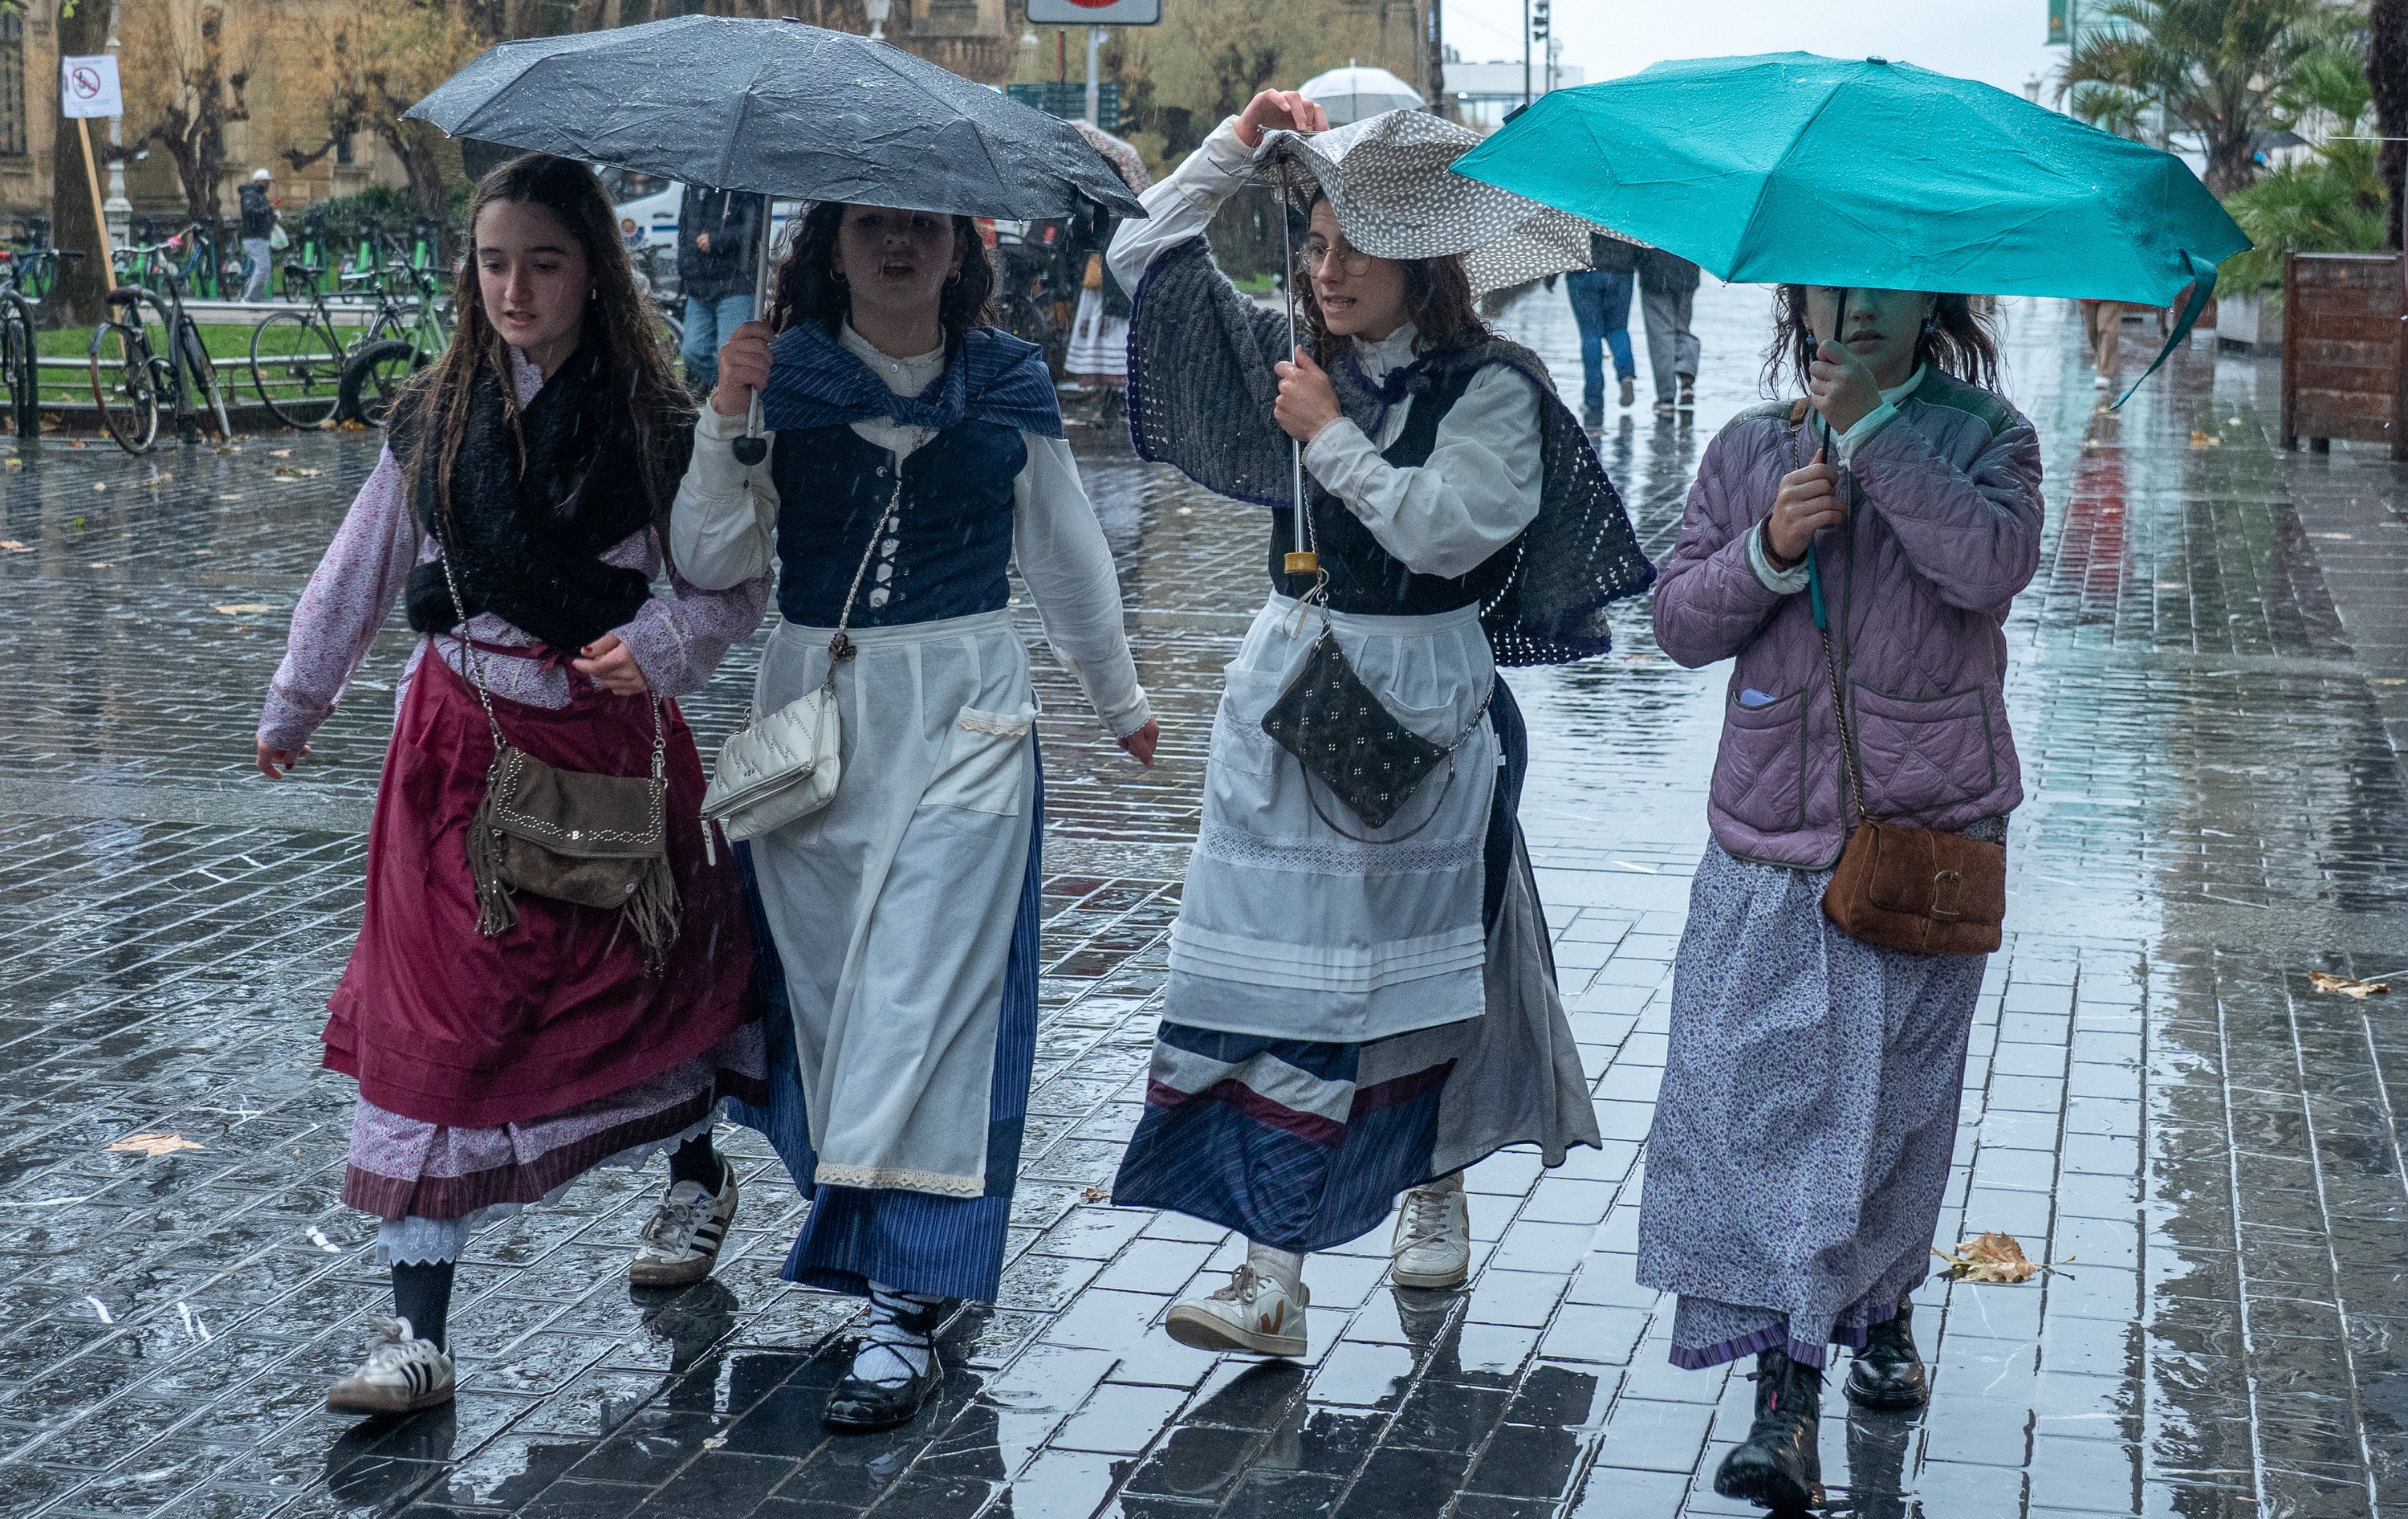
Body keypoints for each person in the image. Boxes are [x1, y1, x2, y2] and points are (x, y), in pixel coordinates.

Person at [1104, 91, 1653, 1358]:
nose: (1326, 267)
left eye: (1355, 243)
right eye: (1313, 240)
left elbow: (1448, 533)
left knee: (1398, 985)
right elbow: (1142, 256)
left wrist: (1334, 442)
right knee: (1276, 985)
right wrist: (1237, 146)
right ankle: (1271, 1275)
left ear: (1426, 259)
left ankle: (1432, 1174)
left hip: (1420, 707)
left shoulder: (1493, 391)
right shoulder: (1298, 360)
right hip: (1286, 693)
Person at [254, 154, 771, 1420]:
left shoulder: (657, 425)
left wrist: (659, 647)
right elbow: (361, 565)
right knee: (435, 1027)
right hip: (452, 763)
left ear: (593, 271)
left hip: (605, 755)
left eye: (542, 262)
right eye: (493, 262)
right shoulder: (434, 414)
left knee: (639, 997)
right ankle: (415, 1332)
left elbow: (734, 587)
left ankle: (698, 1173)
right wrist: (295, 697)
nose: (515, 288)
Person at [670, 201, 1160, 1432]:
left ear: (960, 251)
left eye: (923, 228)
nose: (898, 247)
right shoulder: (780, 376)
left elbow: (1063, 551)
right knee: (836, 1008)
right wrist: (728, 419)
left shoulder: (1006, 380)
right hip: (819, 719)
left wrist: (1120, 696)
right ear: (832, 246)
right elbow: (714, 556)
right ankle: (906, 1252)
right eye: (872, 227)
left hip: (968, 711)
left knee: (925, 997)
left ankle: (899, 1308)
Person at [1640, 283, 2042, 1512]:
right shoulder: (1752, 447)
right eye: (1831, 281)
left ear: (1935, 305)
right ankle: (1784, 1396)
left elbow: (1987, 568)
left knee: (1893, 1116)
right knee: (1769, 1110)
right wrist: (1768, 547)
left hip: (1923, 839)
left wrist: (1875, 436)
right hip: (1773, 837)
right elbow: (1676, 622)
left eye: (1887, 283)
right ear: (1798, 299)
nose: (1856, 305)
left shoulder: (1987, 438)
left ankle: (1881, 1313)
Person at [677, 183, 767, 399]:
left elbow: (755, 229)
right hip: (699, 286)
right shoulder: (693, 186)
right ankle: (728, 394)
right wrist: (685, 267)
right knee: (693, 351)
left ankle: (733, 401)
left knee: (731, 356)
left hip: (736, 285)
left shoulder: (746, 185)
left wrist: (717, 240)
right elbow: (684, 230)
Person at [1564, 231, 1638, 426]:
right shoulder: (1623, 202)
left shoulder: (1579, 203)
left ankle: (1593, 401)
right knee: (1618, 329)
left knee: (1590, 335)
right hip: (1621, 270)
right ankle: (1626, 374)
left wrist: (1550, 277)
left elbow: (1562, 234)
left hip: (1582, 268)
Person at [1638, 244, 1702, 417]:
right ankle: (1687, 381)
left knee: (1661, 335)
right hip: (1687, 269)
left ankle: (1666, 397)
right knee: (1682, 328)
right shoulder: (1692, 216)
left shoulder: (1654, 216)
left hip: (1655, 273)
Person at [239, 168, 278, 303]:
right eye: (267, 182)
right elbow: (250, 212)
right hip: (254, 237)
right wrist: (269, 209)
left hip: (260, 236)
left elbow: (261, 213)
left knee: (264, 268)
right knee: (264, 267)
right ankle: (250, 299)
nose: (269, 185)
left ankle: (254, 298)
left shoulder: (259, 196)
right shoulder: (250, 195)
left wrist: (272, 217)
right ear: (260, 181)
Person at [2081, 297, 2127, 389]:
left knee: (2107, 330)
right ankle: (2100, 357)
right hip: (2088, 291)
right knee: (2092, 331)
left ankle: (2104, 371)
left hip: (2113, 290)